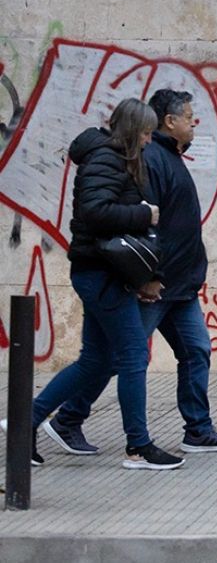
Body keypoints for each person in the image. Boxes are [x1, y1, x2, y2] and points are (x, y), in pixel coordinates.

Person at [45, 89, 217, 458]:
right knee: (120, 358)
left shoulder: (166, 156)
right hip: (156, 283)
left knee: (195, 350)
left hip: (180, 286)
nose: (193, 122)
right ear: (168, 122)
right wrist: (147, 277)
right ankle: (76, 422)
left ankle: (197, 430)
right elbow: (139, 223)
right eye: (188, 116)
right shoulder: (150, 159)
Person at [22, 98, 183, 469]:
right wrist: (144, 213)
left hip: (105, 273)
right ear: (131, 131)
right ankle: (138, 447)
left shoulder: (116, 160)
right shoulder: (104, 160)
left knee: (96, 359)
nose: (148, 140)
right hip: (99, 273)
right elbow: (94, 213)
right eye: (144, 133)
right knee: (132, 355)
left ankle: (25, 422)